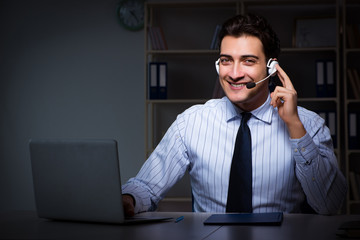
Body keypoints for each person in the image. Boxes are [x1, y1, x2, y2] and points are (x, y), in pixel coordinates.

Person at [122, 13, 347, 216]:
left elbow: (330, 205)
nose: (234, 74)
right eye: (226, 61)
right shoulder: (191, 122)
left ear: (271, 68)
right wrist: (128, 199)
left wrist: (294, 125)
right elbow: (146, 186)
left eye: (248, 61)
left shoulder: (308, 124)